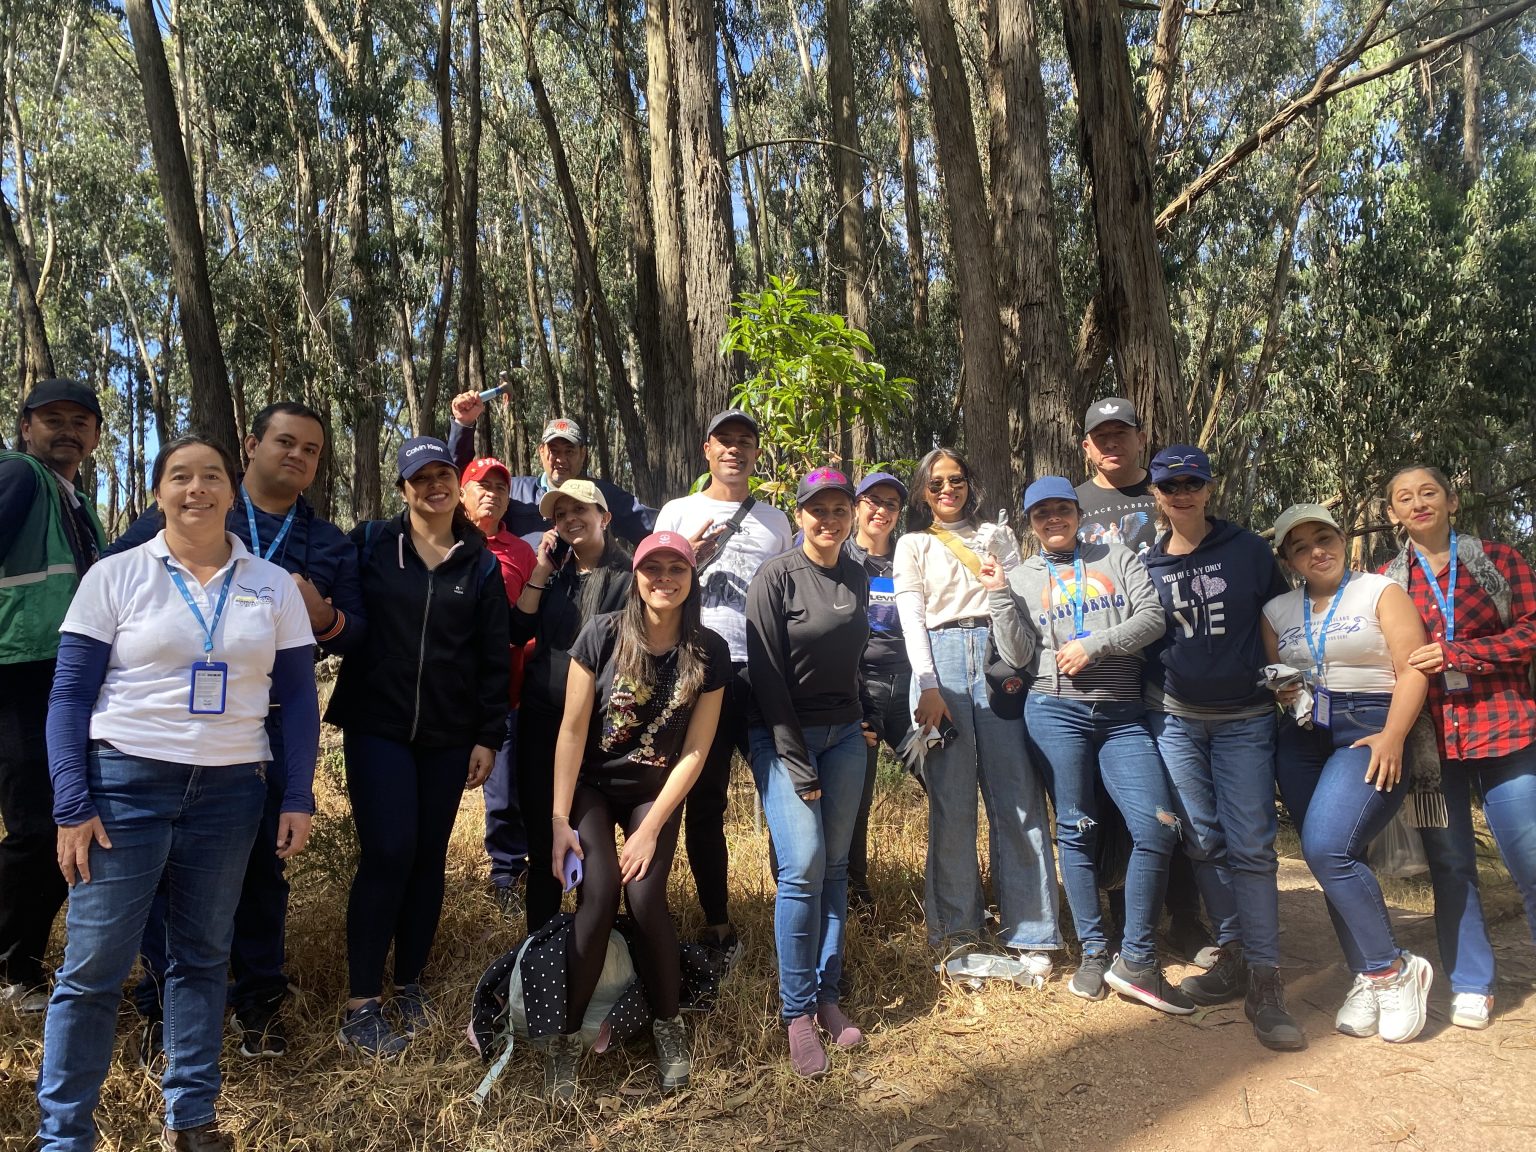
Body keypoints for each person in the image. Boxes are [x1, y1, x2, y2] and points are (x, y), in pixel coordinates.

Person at [38, 434, 319, 1152]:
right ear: (158, 492)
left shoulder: (271, 584)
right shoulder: (117, 574)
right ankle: (65, 1134)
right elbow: (68, 697)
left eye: (212, 477)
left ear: (232, 489)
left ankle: (191, 1121)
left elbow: (296, 697)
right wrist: (72, 804)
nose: (197, 489)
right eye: (180, 477)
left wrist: (298, 798)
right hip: (123, 784)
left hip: (231, 791)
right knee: (94, 966)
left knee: (200, 957)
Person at [109, 400, 365, 1061]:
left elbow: (357, 635)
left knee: (258, 872)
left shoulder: (330, 542)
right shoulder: (187, 512)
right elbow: (109, 587)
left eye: (310, 450)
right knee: (163, 870)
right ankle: (166, 1007)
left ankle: (258, 1008)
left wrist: (323, 614)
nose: (297, 456)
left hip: (269, 728)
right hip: (168, 724)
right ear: (250, 445)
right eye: (285, 441)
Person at [326, 437, 510, 1056]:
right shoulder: (373, 543)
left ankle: (409, 985)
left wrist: (489, 734)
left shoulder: (479, 561)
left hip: (449, 732)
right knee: (388, 850)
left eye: (443, 476)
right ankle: (361, 1002)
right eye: (420, 478)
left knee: (428, 855)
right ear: (402, 487)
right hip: (376, 724)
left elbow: (492, 658)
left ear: (457, 485)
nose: (433, 486)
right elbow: (340, 616)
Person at [988, 476, 1192, 1014]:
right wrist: (997, 594)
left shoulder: (1117, 555)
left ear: (1079, 514)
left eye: (1061, 509)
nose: (1052, 519)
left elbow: (1151, 618)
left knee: (1157, 826)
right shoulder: (1024, 576)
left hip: (1123, 715)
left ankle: (1137, 956)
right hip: (1054, 712)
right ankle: (1095, 952)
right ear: (1031, 524)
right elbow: (1017, 654)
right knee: (1076, 828)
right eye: (1041, 514)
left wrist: (1096, 646)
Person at [542, 531, 728, 1099]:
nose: (664, 579)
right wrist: (557, 820)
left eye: (677, 568)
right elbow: (572, 731)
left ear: (692, 576)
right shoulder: (600, 634)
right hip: (594, 786)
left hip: (657, 791)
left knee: (646, 896)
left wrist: (650, 829)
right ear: (637, 574)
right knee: (598, 895)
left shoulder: (707, 650)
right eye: (654, 568)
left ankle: (668, 1025)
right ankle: (567, 1040)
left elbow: (696, 749)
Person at [1139, 446, 1302, 1048]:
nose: (1181, 492)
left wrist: (1290, 682)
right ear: (1155, 493)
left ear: (1208, 489)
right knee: (1203, 840)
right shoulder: (1147, 564)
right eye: (1170, 484)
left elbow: (1281, 617)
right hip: (1176, 719)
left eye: (1192, 482)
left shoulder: (1247, 549)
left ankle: (1266, 978)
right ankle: (1233, 955)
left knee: (1253, 847)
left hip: (1245, 718)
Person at [1262, 503, 1434, 1043]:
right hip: (1303, 734)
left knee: (1327, 848)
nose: (1317, 550)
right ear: (1289, 559)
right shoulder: (1275, 611)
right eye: (1301, 545)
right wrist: (1286, 691)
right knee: (1339, 857)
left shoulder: (1381, 591)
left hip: (1371, 726)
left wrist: (1394, 736)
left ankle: (1392, 969)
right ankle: (1367, 972)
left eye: (1324, 537)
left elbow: (1413, 668)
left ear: (1340, 539)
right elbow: (1278, 677)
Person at [1381, 465, 1536, 1031]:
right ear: (1392, 514)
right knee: (1450, 864)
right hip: (1431, 745)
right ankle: (1472, 982)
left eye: (1428, 493)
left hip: (1507, 729)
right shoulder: (1388, 581)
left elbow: (1531, 629)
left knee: (1530, 857)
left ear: (1450, 500)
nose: (1419, 503)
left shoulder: (1498, 561)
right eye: (1405, 498)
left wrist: (1461, 654)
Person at [892, 449, 1058, 972]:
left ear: (969, 484)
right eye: (936, 483)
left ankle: (1031, 933)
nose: (948, 490)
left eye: (957, 480)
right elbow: (912, 617)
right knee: (952, 803)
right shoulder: (914, 543)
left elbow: (1016, 603)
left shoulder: (996, 534)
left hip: (996, 655)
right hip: (941, 660)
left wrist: (1007, 562)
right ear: (923, 492)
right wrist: (927, 684)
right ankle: (957, 935)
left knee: (1018, 795)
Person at [746, 467, 873, 1078]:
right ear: (798, 516)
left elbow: (854, 658)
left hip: (846, 736)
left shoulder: (858, 572)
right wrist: (794, 759)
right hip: (782, 738)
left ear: (851, 515)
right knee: (802, 866)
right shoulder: (774, 578)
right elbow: (767, 676)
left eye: (839, 509)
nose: (828, 519)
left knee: (837, 866)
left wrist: (866, 715)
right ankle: (796, 1012)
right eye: (816, 509)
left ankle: (827, 994)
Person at [653, 410, 793, 966]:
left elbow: (789, 599)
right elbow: (655, 587)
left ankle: (796, 912)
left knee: (782, 794)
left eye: (745, 442)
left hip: (761, 672)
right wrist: (687, 552)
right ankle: (717, 923)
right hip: (698, 668)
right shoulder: (678, 511)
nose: (735, 451)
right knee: (705, 802)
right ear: (706, 450)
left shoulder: (777, 522)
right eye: (725, 442)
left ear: (756, 454)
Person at [1075, 398, 1212, 964]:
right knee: (1105, 804)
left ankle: (1185, 917)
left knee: (1168, 794)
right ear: (1087, 446)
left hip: (1166, 662)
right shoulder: (1073, 505)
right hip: (1098, 669)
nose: (1112, 444)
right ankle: (1118, 924)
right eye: (1101, 436)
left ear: (1139, 438)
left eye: (1121, 433)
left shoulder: (1165, 492)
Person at [0, 379, 106, 1015]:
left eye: (80, 421)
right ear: (26, 427)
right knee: (38, 825)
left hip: (58, 672)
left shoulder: (75, 500)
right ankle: (12, 968)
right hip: (19, 669)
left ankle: (24, 961)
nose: (66, 431)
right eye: (52, 420)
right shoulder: (19, 478)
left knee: (56, 818)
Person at [511, 477, 634, 933]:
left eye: (580, 510)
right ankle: (540, 943)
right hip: (542, 720)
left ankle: (592, 942)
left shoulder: (629, 578)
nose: (570, 520)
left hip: (599, 726)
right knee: (544, 837)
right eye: (561, 515)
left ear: (605, 517)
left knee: (590, 837)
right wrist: (541, 568)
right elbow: (517, 626)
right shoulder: (556, 574)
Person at [460, 456, 539, 916]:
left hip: (505, 692)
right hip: (447, 693)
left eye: (500, 487)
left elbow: (533, 619)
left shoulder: (521, 552)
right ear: (462, 493)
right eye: (481, 484)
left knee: (507, 789)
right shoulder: (448, 542)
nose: (491, 492)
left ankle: (507, 873)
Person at [447, 392, 655, 546]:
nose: (560, 459)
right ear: (541, 452)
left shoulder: (602, 495)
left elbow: (648, 524)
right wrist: (463, 427)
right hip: (523, 595)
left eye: (569, 451)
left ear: (582, 454)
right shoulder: (514, 491)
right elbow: (461, 483)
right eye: (554, 450)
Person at [844, 471, 911, 908]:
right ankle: (855, 893)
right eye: (872, 500)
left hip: (909, 690)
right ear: (856, 505)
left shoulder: (910, 557)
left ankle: (950, 886)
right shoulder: (840, 557)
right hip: (858, 687)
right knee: (856, 799)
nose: (880, 510)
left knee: (944, 781)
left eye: (890, 504)